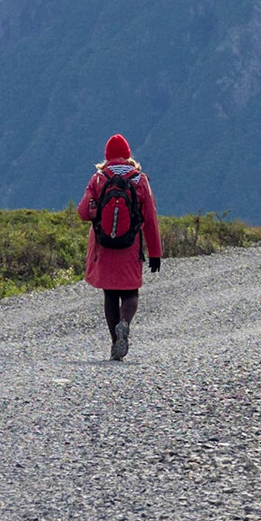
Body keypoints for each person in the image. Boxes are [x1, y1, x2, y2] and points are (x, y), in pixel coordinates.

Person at [78, 134, 163, 361]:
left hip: (104, 247)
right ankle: (124, 324)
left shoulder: (98, 179)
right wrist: (155, 253)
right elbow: (150, 218)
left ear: (106, 156)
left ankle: (116, 344)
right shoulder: (139, 179)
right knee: (130, 293)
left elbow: (84, 213)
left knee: (110, 294)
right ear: (128, 155)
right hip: (130, 246)